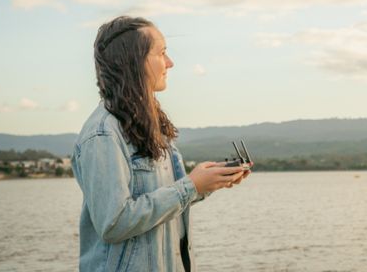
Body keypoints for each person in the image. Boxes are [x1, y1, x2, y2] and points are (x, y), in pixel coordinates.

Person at [71, 16, 249, 271]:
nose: (170, 63)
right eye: (162, 53)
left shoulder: (148, 126)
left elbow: (164, 202)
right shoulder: (102, 134)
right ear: (133, 61)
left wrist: (207, 183)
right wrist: (190, 186)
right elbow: (114, 223)